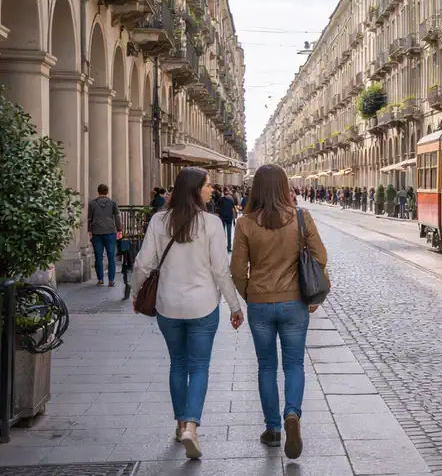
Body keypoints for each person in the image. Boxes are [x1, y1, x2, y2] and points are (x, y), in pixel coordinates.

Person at [132, 167, 242, 460]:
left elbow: (143, 263)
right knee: (200, 367)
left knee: (178, 364)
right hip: (203, 305)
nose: (211, 190)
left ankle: (181, 423)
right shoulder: (212, 223)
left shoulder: (159, 220)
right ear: (195, 189)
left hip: (168, 305)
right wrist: (234, 305)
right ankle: (191, 426)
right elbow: (220, 270)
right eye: (208, 185)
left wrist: (134, 293)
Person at [231, 164, 329, 460]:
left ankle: (273, 429)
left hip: (260, 302)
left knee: (266, 367)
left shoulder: (245, 223)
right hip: (294, 301)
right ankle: (292, 414)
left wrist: (250, 295)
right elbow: (320, 256)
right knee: (294, 364)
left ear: (256, 189)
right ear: (285, 187)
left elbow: (237, 270)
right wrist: (314, 293)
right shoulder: (301, 217)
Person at [88, 184, 122, 287]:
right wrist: (119, 229)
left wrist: (89, 230)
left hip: (96, 231)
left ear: (98, 191)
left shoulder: (92, 204)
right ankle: (111, 280)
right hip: (110, 231)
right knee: (111, 257)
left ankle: (100, 279)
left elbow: (89, 218)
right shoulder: (113, 203)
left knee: (98, 257)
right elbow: (117, 217)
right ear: (107, 192)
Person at [217, 188, 238, 252]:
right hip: (229, 218)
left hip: (222, 218)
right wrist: (234, 219)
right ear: (228, 193)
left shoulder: (220, 200)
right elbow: (233, 210)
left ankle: (222, 247)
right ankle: (229, 247)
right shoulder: (231, 200)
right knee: (229, 233)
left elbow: (217, 207)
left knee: (222, 233)